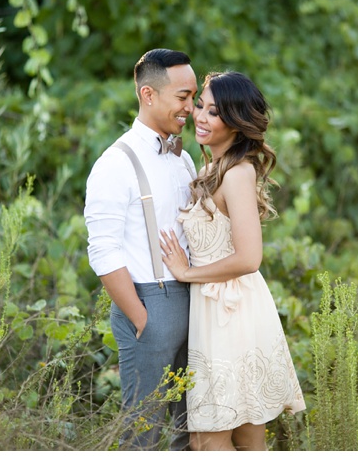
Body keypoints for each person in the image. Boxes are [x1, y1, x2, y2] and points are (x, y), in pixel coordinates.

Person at [159, 71, 306, 451]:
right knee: (240, 431)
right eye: (201, 107)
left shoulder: (238, 173)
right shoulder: (209, 169)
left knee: (210, 438)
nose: (201, 117)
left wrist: (186, 272)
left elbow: (249, 257)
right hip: (214, 311)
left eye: (214, 112)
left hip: (232, 312)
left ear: (237, 122)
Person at [84, 48, 198, 450]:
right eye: (182, 97)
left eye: (194, 97)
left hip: (194, 301)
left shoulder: (184, 159)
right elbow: (103, 251)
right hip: (149, 303)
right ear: (148, 95)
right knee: (142, 433)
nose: (191, 108)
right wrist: (141, 319)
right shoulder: (114, 163)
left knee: (193, 428)